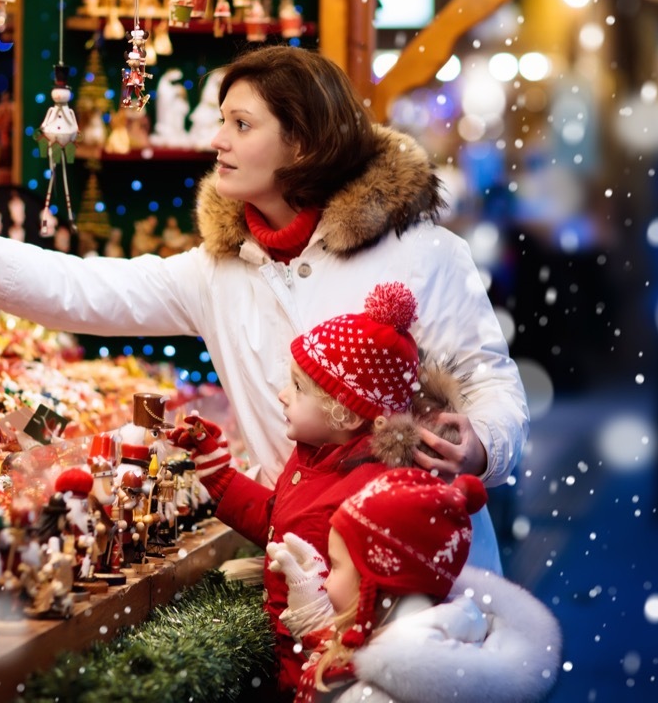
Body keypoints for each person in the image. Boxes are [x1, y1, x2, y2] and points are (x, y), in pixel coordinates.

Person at [0, 44, 527, 568]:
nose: (215, 139)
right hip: (305, 563)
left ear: (303, 143)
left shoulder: (423, 254)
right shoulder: (218, 271)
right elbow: (85, 289)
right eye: (221, 119)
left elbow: (488, 381)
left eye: (241, 125)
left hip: (425, 560)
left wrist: (483, 443)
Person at [165, 281, 466, 693]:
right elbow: (281, 524)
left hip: (320, 672)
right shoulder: (316, 458)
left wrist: (314, 662)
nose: (283, 395)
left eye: (300, 388)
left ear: (342, 412)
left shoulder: (369, 496)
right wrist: (216, 469)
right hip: (296, 655)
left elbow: (360, 620)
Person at [276, 468, 561, 703]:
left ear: (377, 584)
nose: (326, 581)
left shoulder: (372, 695)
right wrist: (313, 611)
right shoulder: (454, 632)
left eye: (335, 566)